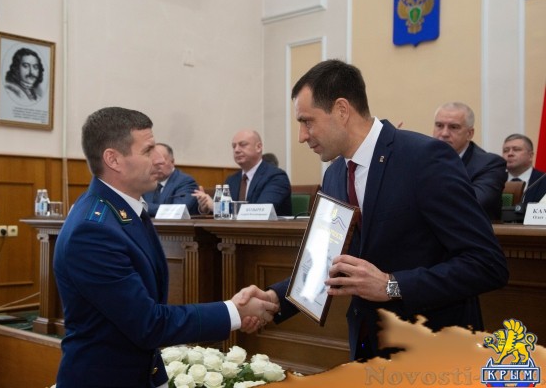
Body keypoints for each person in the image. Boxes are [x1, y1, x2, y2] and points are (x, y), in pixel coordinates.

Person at [241, 60, 508, 361]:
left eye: (307, 121)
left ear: (342, 110)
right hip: (367, 346)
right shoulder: (334, 174)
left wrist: (392, 286)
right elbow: (328, 260)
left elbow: (487, 264)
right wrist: (275, 299)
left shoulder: (424, 158)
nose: (302, 135)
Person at [53, 107, 277, 388]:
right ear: (113, 159)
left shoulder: (127, 210)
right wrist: (234, 312)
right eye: (148, 150)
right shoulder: (93, 230)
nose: (157, 160)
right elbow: (148, 324)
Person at [432, 102, 507, 220]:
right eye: (439, 125)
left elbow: (471, 204)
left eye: (454, 127)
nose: (444, 133)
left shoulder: (490, 164)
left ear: (470, 133)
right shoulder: (422, 158)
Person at [192, 129, 292, 216]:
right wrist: (205, 207)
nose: (236, 150)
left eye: (242, 145)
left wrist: (216, 207)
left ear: (258, 147)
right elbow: (221, 215)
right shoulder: (231, 180)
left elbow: (260, 212)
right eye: (234, 146)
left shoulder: (276, 177)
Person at [142, 143, 199, 216]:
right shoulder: (145, 181)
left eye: (161, 162)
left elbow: (177, 211)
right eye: (153, 161)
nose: (156, 166)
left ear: (172, 162)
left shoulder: (186, 182)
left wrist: (143, 207)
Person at [502, 133, 546, 203]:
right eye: (505, 150)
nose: (510, 154)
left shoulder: (543, 180)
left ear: (530, 156)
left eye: (516, 149)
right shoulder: (494, 180)